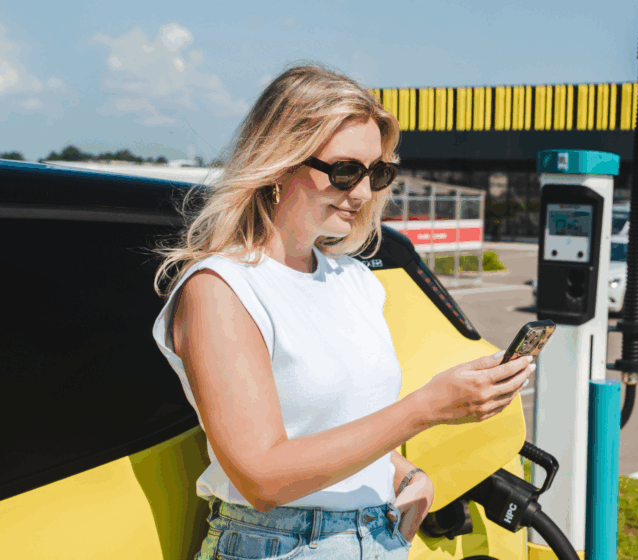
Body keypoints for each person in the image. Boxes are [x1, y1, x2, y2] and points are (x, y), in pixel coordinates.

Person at [150, 64, 534, 560]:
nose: (362, 193)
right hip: (278, 543)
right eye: (345, 170)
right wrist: (426, 409)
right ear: (278, 163)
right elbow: (261, 477)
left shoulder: (353, 280)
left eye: (377, 173)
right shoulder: (222, 288)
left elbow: (346, 422)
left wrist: (404, 473)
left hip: (378, 534)